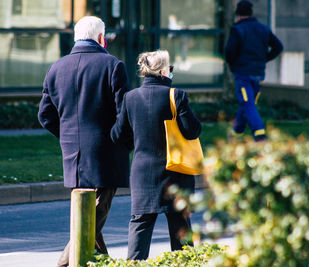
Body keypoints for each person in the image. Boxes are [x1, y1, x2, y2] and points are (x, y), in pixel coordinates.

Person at [38, 16, 130, 267]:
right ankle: (65, 262)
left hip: (73, 154)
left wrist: (67, 135)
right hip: (105, 153)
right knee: (93, 215)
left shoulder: (56, 67)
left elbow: (45, 115)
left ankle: (102, 262)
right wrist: (119, 140)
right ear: (101, 38)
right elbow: (124, 112)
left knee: (88, 213)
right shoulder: (113, 65)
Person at [110, 50, 201, 260]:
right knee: (181, 229)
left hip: (143, 173)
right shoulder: (176, 95)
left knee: (140, 226)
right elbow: (192, 130)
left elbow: (117, 136)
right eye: (170, 68)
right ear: (162, 71)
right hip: (175, 172)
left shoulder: (130, 98)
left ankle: (133, 265)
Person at [225, 0, 283, 141]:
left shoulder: (237, 30)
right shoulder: (263, 29)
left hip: (243, 74)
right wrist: (264, 59)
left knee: (247, 103)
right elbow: (278, 47)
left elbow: (229, 53)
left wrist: (234, 67)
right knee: (248, 103)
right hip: (258, 74)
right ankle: (236, 133)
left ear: (238, 15)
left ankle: (259, 134)